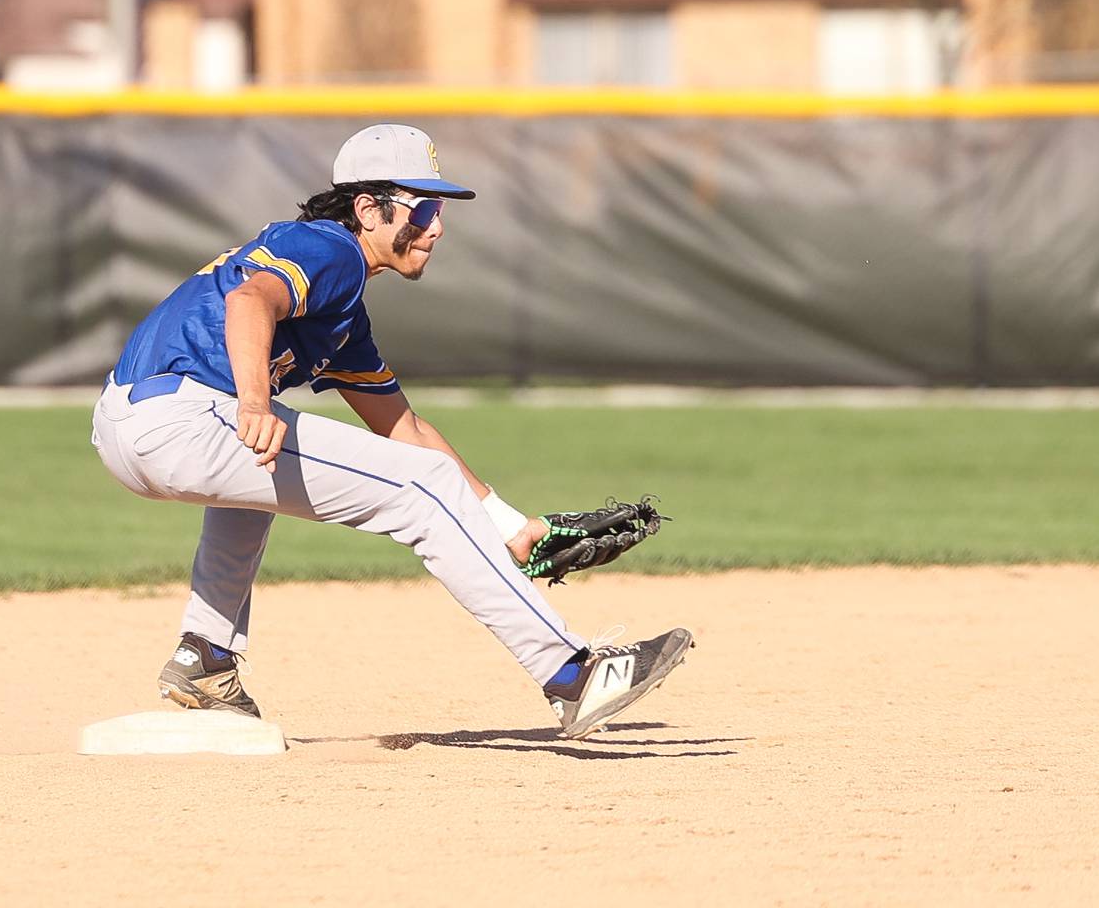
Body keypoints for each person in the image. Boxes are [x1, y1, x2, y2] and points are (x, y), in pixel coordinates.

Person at [91, 123, 692, 739]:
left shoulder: (344, 318)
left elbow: (403, 427)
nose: (435, 226)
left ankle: (207, 656)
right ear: (367, 209)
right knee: (417, 487)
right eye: (423, 207)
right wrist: (253, 402)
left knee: (263, 478)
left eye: (440, 211)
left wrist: (511, 527)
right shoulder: (330, 248)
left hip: (133, 422)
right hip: (182, 416)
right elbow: (251, 301)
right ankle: (573, 676)